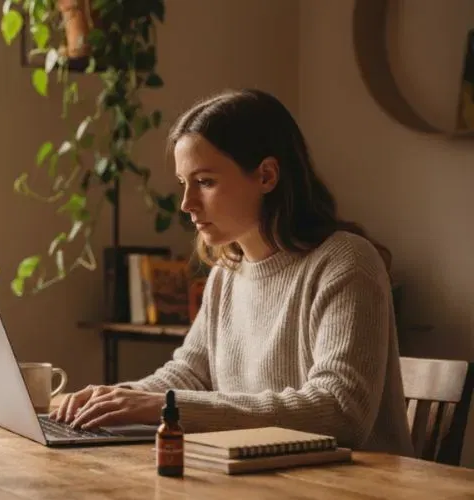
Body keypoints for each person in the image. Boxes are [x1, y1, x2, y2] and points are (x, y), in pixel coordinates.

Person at [49, 88, 414, 457]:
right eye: (183, 183)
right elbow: (189, 374)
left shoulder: (346, 262)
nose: (186, 204)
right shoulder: (227, 274)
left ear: (267, 176)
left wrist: (167, 406)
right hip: (259, 481)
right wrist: (113, 398)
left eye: (205, 182)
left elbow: (340, 412)